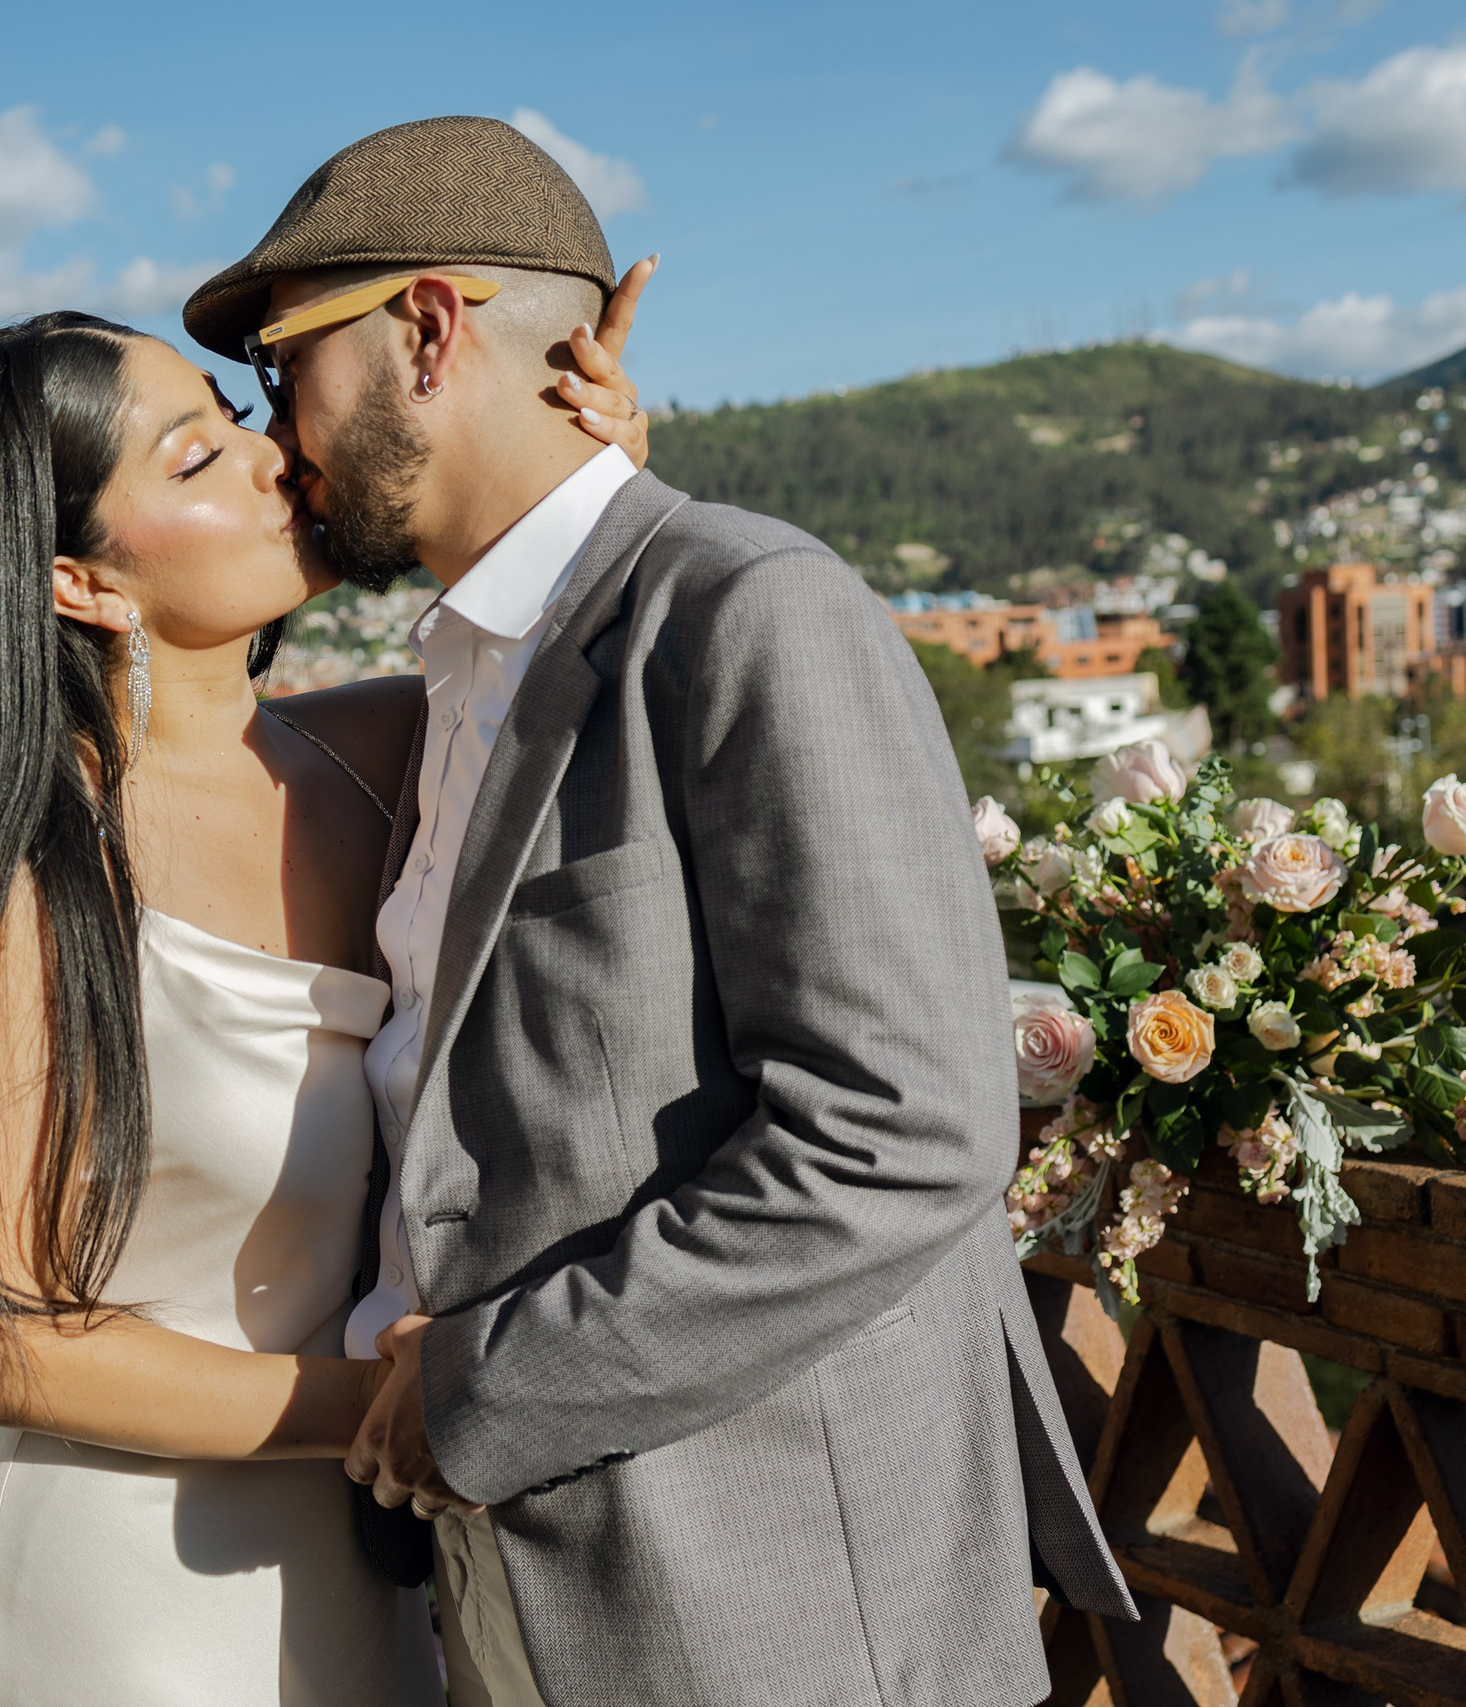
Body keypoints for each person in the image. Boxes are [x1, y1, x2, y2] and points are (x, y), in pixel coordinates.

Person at [179, 115, 1138, 1706]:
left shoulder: (750, 610)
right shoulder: (453, 681)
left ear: (427, 328)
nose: (281, 436)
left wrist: (482, 1388)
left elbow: (901, 1135)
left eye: (286, 366)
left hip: (760, 1610)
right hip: (509, 1578)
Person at [0, 275, 656, 1699]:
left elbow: (595, 666)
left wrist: (589, 476)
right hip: (112, 1590)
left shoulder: (383, 759)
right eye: (194, 456)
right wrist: (414, 1405)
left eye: (235, 415)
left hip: (356, 1564)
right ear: (80, 581)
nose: (269, 453)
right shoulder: (25, 878)